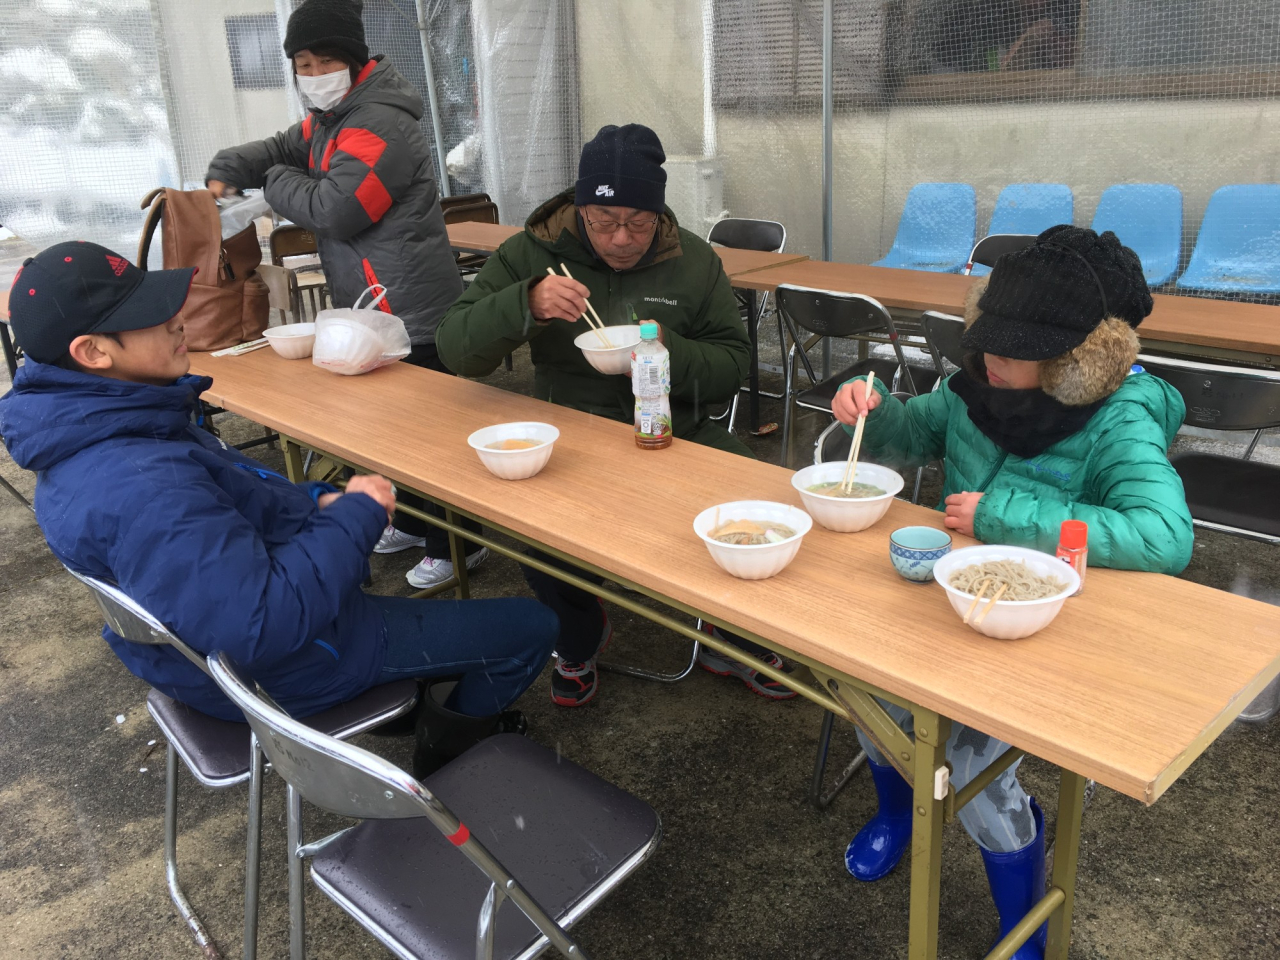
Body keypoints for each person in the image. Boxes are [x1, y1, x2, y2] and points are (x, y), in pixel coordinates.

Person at [0, 242, 558, 779]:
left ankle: (414, 704)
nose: (177, 319)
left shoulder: (99, 435)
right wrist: (358, 514)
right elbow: (263, 624)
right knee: (534, 625)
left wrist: (321, 501)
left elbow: (242, 501)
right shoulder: (144, 483)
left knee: (438, 618)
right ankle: (447, 755)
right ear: (93, 351)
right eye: (149, 314)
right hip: (285, 665)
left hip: (208, 654)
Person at [830, 226, 1194, 959]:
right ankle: (899, 815)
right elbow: (914, 431)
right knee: (869, 698)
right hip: (952, 601)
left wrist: (1006, 518)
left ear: (1072, 362)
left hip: (1045, 627)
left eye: (1010, 348)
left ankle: (1021, 922)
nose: (986, 359)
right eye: (986, 337)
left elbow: (1164, 535)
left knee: (973, 767)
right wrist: (872, 404)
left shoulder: (1117, 420)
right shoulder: (976, 386)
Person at [436, 123, 796, 707]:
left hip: (681, 425)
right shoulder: (534, 253)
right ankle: (578, 636)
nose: (622, 239)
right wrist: (522, 304)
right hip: (573, 428)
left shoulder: (694, 261)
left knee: (757, 507)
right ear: (580, 209)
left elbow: (732, 366)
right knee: (532, 531)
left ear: (660, 215)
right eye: (604, 223)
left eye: (639, 222)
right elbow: (456, 349)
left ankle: (730, 636)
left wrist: (659, 352)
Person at [205, 0, 485, 592]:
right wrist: (231, 168)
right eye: (301, 63)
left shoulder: (379, 122)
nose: (312, 73)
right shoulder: (328, 120)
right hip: (373, 304)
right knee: (391, 428)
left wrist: (273, 188)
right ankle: (412, 522)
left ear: (354, 63)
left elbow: (337, 208)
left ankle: (455, 544)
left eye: (324, 60)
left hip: (411, 308)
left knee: (426, 433)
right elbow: (278, 147)